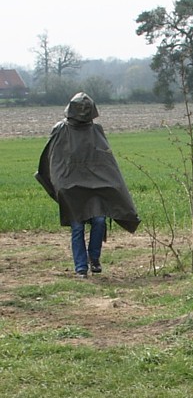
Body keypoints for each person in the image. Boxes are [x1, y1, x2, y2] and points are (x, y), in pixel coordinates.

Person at [35, 92, 141, 278]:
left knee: (99, 221)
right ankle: (80, 268)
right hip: (71, 187)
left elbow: (106, 162)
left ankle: (94, 258)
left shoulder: (96, 130)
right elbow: (53, 160)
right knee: (77, 227)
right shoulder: (60, 129)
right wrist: (61, 185)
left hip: (96, 185)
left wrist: (113, 184)